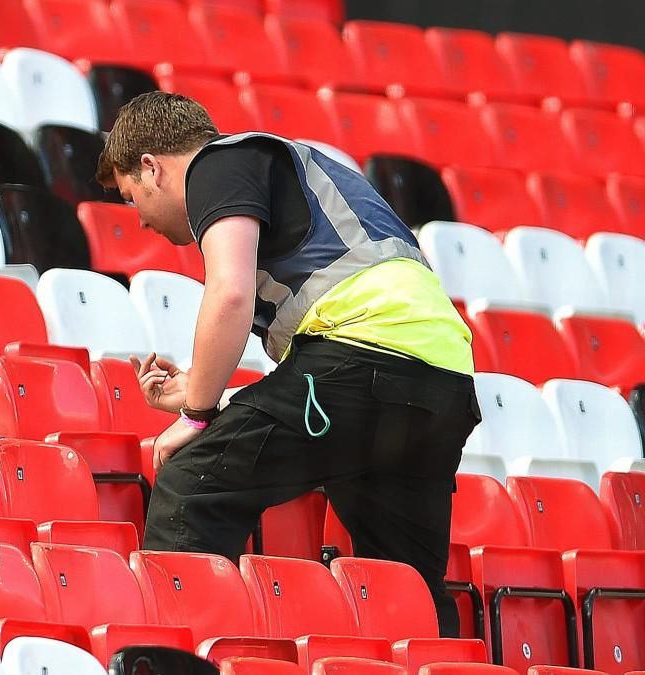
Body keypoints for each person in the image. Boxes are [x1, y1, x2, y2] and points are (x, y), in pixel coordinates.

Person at [95, 91, 481, 638]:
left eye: (133, 198)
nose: (138, 221)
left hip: (361, 359)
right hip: (442, 383)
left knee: (191, 484)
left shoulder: (218, 163)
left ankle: (185, 657)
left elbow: (230, 295)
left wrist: (197, 416)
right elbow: (315, 373)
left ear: (152, 168)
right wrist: (200, 390)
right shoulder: (301, 173)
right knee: (407, 587)